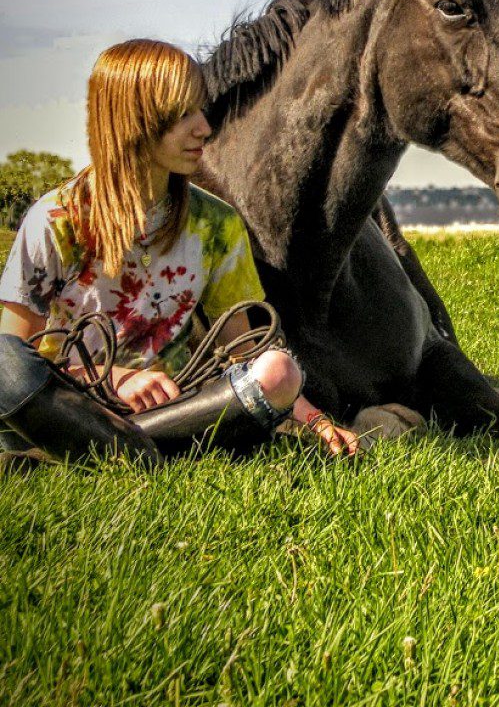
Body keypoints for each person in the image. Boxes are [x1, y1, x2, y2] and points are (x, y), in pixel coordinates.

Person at [0, 38, 356, 468]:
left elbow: (244, 353)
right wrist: (117, 380)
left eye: (201, 110)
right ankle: (128, 449)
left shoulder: (216, 225)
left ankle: (95, 455)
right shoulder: (55, 220)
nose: (204, 127)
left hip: (174, 408)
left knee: (278, 370)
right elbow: (15, 357)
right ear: (133, 120)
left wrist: (315, 421)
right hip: (66, 406)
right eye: (183, 113)